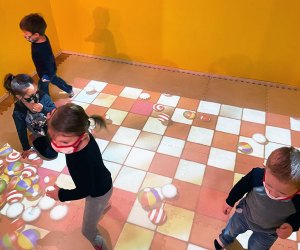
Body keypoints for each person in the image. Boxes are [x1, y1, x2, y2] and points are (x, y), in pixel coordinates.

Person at [46, 103, 113, 250]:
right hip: (103, 180)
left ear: (81, 137)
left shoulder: (82, 160)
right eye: (53, 138)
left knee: (87, 231)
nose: (56, 145)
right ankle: (103, 205)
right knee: (101, 202)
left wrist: (61, 194)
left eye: (64, 142)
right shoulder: (84, 135)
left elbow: (84, 190)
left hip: (97, 193)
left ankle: (101, 245)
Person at [214, 147, 300, 250]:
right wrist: (230, 201)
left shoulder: (297, 200)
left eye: (282, 193)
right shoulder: (257, 175)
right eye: (268, 186)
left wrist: (291, 227)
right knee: (231, 228)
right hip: (244, 214)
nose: (273, 194)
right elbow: (241, 186)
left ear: (298, 190)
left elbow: (298, 217)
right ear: (265, 169)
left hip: (270, 230)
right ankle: (224, 239)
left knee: (258, 247)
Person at [4, 73, 57, 160]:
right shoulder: (18, 112)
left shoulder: (42, 96)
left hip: (53, 127)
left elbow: (55, 111)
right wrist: (26, 148)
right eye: (30, 96)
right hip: (40, 134)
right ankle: (35, 139)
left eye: (36, 92)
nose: (36, 97)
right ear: (19, 97)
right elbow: (21, 130)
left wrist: (43, 108)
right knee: (51, 155)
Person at [19, 13, 74, 98]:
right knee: (56, 80)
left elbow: (49, 62)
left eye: (27, 34)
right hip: (45, 71)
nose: (25, 36)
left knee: (42, 88)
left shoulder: (43, 49)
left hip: (47, 72)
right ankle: (69, 89)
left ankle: (46, 102)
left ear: (36, 35)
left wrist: (46, 76)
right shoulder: (40, 38)